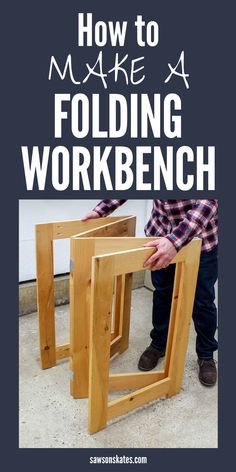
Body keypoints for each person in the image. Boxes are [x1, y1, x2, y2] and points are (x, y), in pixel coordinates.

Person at [82, 199, 218, 387]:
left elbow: (209, 201)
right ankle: (158, 344)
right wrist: (100, 210)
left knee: (203, 301)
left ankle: (206, 355)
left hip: (201, 238)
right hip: (160, 233)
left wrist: (174, 241)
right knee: (162, 294)